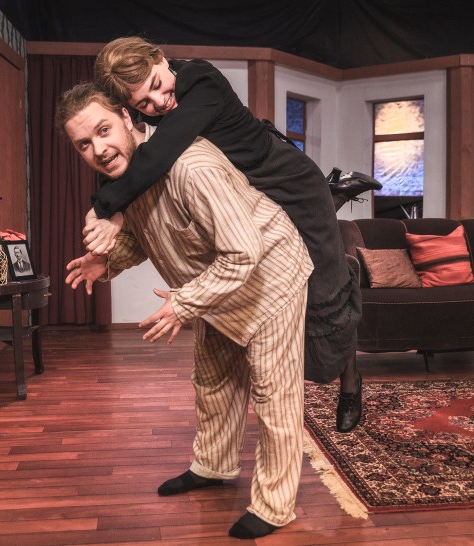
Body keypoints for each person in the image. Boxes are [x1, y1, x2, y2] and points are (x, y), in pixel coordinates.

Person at [59, 82, 312, 539]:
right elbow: (148, 234)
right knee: (214, 380)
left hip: (270, 277)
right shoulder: (127, 180)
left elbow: (244, 252)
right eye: (84, 144)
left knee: (274, 396)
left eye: (103, 130)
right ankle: (213, 466)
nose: (99, 149)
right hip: (216, 282)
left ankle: (275, 506)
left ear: (126, 117)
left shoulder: (191, 167)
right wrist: (107, 261)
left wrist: (183, 303)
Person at [86, 36, 363, 433]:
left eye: (158, 86)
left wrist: (104, 209)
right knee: (288, 298)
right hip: (250, 198)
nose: (159, 103)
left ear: (161, 58)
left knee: (325, 296)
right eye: (143, 103)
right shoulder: (154, 101)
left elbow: (158, 154)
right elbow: (136, 158)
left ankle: (351, 382)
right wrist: (112, 213)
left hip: (292, 186)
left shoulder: (202, 80)